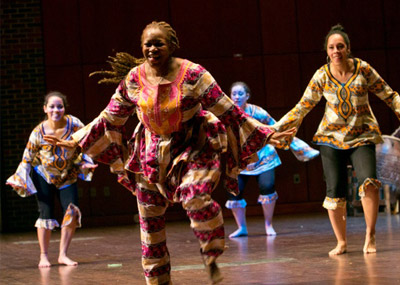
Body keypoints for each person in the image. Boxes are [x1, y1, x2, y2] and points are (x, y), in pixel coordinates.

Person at [43, 21, 295, 284]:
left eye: (158, 43)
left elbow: (228, 110)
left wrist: (267, 133)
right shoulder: (133, 78)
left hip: (195, 147)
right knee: (150, 226)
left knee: (195, 197)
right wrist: (76, 140)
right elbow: (110, 117)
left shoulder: (194, 74)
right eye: (147, 44)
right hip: (149, 156)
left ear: (173, 46)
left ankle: (211, 252)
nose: (152, 48)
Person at [272, 24, 400, 256]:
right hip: (330, 138)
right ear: (327, 51)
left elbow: (389, 95)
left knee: (369, 182)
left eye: (340, 46)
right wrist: (276, 129)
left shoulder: (364, 70)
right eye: (331, 47)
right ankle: (341, 242)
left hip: (362, 135)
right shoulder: (321, 75)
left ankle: (370, 236)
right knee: (334, 191)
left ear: (348, 48)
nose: (336, 51)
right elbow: (302, 107)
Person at [6, 91, 97, 268]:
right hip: (44, 176)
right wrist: (19, 178)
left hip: (67, 176)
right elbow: (27, 157)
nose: (56, 110)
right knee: (45, 214)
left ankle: (63, 255)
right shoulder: (38, 132)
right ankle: (44, 256)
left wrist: (85, 162)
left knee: (72, 211)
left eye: (60, 106)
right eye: (52, 106)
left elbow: (86, 143)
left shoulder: (74, 124)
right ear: (45, 109)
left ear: (65, 108)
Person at [226, 81, 319, 238]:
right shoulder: (228, 113)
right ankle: (241, 228)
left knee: (267, 186)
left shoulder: (258, 112)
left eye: (240, 93)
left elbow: (277, 128)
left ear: (247, 96)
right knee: (234, 191)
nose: (236, 97)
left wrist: (299, 147)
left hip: (264, 156)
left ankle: (268, 225)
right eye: (234, 94)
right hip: (241, 159)